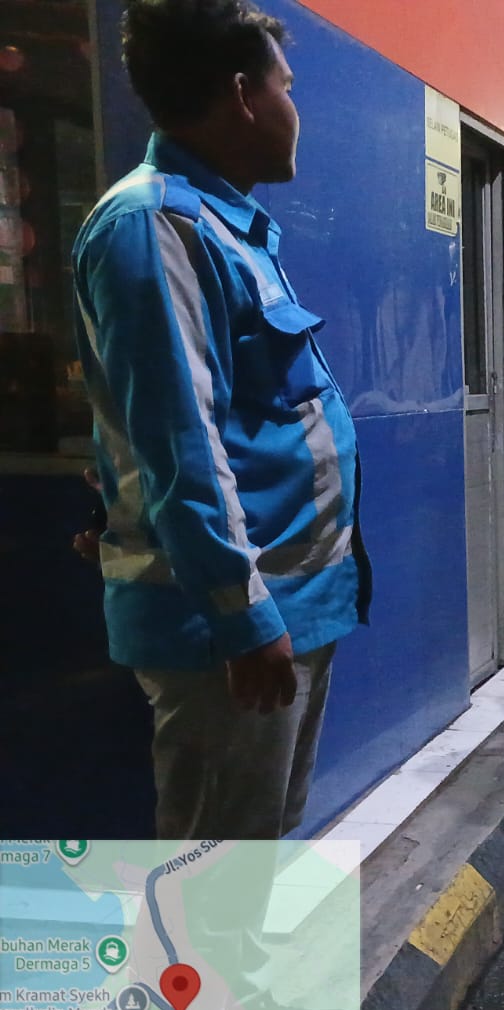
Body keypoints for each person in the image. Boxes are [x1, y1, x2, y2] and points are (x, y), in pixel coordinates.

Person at [71, 0, 368, 839]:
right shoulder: (154, 227)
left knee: (252, 858)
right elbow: (181, 444)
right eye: (287, 87)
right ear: (242, 94)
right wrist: (244, 619)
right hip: (231, 628)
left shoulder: (220, 224)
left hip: (284, 605)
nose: (294, 109)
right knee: (215, 883)